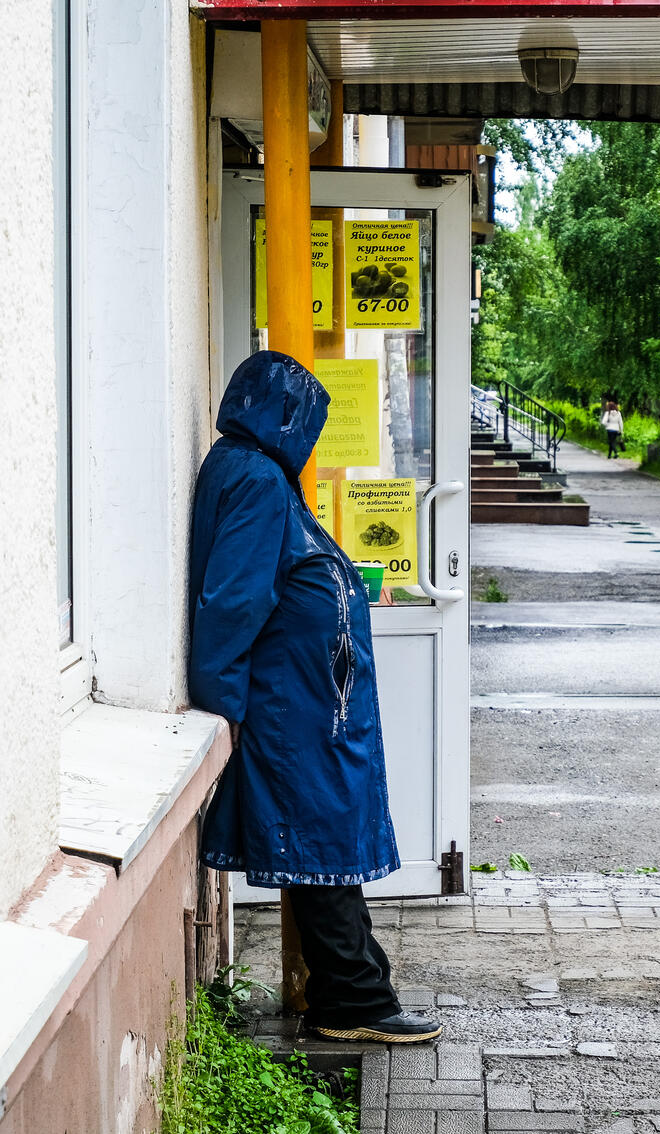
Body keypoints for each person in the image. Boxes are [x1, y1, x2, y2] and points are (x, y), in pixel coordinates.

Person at [188, 351, 440, 1045]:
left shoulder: (252, 473)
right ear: (287, 416)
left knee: (322, 848)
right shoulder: (259, 481)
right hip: (290, 713)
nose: (314, 441)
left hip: (302, 707)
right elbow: (232, 603)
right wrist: (227, 709)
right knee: (322, 844)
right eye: (310, 424)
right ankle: (353, 1002)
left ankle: (357, 992)